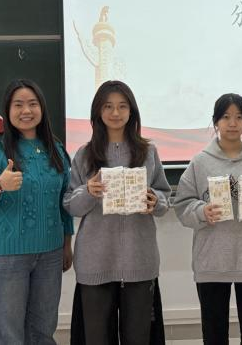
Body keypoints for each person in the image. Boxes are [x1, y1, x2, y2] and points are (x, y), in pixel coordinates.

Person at [173, 93, 242, 345]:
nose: (232, 123)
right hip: (211, 262)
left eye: (239, 117)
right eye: (225, 117)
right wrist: (202, 212)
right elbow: (181, 205)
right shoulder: (200, 161)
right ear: (215, 122)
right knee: (214, 336)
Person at [63, 80, 171, 345]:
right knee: (97, 338)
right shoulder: (84, 154)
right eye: (108, 106)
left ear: (131, 111)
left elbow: (164, 198)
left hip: (139, 261)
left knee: (139, 338)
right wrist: (89, 191)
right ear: (98, 111)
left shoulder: (148, 152)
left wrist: (154, 201)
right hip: (95, 262)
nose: (115, 112)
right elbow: (70, 204)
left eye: (122, 106)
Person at [0, 78, 73, 345]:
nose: (26, 111)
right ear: (8, 110)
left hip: (51, 253)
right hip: (9, 255)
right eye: (18, 104)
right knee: (9, 332)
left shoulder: (56, 149)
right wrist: (0, 185)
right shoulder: (1, 148)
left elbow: (65, 201)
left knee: (43, 329)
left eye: (32, 104)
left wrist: (67, 244)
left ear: (42, 108)